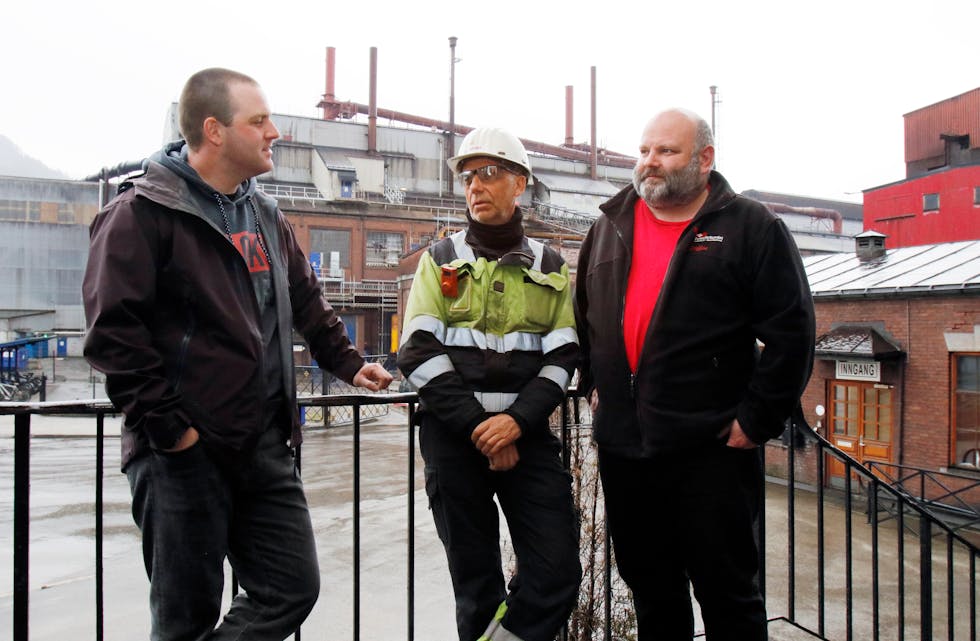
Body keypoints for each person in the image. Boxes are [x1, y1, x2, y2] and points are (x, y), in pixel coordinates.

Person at [82, 67, 392, 641]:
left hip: (263, 447)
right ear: (214, 131)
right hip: (182, 457)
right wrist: (173, 432)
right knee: (184, 620)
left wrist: (349, 362)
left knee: (291, 588)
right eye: (259, 121)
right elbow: (112, 336)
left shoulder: (265, 215)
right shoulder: (142, 213)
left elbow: (306, 302)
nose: (274, 131)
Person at [574, 109, 815, 641]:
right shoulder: (608, 226)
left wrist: (755, 421)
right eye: (644, 151)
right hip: (626, 451)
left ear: (705, 159)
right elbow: (585, 320)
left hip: (711, 451)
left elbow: (792, 334)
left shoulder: (751, 228)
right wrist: (594, 384)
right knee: (651, 588)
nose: (649, 163)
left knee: (726, 592)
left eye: (666, 151)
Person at [397, 127, 582, 641]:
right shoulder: (438, 260)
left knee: (558, 572)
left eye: (490, 173)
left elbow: (564, 355)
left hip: (527, 440)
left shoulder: (550, 266)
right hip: (455, 442)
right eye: (468, 176)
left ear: (519, 183)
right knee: (477, 587)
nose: (476, 185)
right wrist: (483, 428)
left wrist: (516, 423)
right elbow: (416, 352)